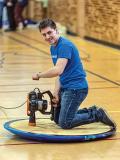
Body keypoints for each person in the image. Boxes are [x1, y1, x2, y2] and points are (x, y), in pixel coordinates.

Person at [32, 18, 116, 129]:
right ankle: (92, 110)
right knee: (57, 119)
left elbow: (58, 70)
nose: (47, 37)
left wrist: (39, 75)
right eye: (44, 35)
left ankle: (96, 114)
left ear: (56, 30)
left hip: (76, 89)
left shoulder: (65, 46)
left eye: (49, 32)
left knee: (65, 123)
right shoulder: (53, 47)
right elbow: (60, 74)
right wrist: (56, 93)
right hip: (66, 87)